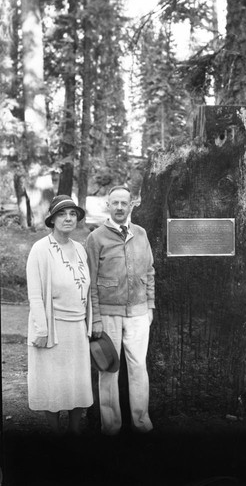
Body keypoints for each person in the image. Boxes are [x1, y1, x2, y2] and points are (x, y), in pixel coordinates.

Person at [85, 185, 155, 435]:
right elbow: (90, 281)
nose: (119, 208)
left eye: (124, 203)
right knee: (108, 369)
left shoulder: (141, 233)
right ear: (108, 205)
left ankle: (140, 422)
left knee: (138, 367)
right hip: (107, 314)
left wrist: (149, 305)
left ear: (131, 205)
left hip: (138, 313)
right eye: (114, 203)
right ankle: (110, 427)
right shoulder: (96, 238)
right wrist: (95, 318)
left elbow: (149, 271)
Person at [26, 195, 93, 434]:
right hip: (53, 327)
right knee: (53, 383)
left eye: (72, 214)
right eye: (62, 214)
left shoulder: (80, 249)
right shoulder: (40, 250)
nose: (68, 218)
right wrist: (41, 329)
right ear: (52, 219)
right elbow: (34, 294)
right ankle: (55, 435)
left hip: (77, 328)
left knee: (77, 382)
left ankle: (75, 433)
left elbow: (87, 288)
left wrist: (90, 324)